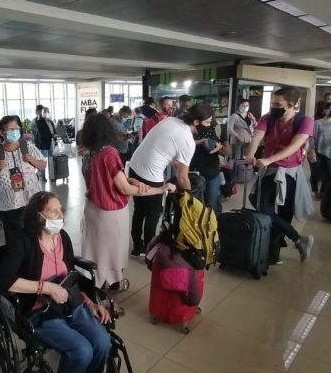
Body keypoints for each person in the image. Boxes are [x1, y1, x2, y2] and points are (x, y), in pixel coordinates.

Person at [0, 192, 111, 373]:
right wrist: (45, 287)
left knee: (102, 342)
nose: (60, 215)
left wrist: (89, 302)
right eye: (54, 211)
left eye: (61, 210)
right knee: (81, 350)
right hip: (40, 310)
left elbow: (70, 278)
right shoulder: (23, 241)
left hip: (70, 303)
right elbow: (5, 281)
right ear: (38, 216)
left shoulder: (63, 237)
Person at [80, 114, 174, 304]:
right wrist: (160, 189)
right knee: (112, 252)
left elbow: (105, 180)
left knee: (96, 250)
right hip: (110, 212)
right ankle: (108, 292)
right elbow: (122, 188)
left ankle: (95, 285)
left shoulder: (88, 154)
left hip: (92, 210)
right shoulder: (109, 153)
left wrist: (130, 180)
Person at [245, 86, 315, 265]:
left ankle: (272, 254)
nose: (273, 106)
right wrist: (251, 154)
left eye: (277, 104)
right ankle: (298, 239)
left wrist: (269, 159)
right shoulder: (268, 118)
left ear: (291, 105)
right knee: (261, 205)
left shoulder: (304, 121)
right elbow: (257, 137)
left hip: (289, 172)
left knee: (284, 214)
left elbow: (294, 146)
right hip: (269, 171)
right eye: (272, 102)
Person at [127, 103, 196, 256]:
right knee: (153, 213)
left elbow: (162, 151)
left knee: (139, 211)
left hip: (134, 167)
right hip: (151, 175)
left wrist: (176, 164)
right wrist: (191, 198)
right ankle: (149, 249)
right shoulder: (187, 139)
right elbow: (183, 178)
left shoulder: (169, 121)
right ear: (196, 122)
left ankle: (136, 247)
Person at [0, 115, 47, 244]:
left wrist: (32, 160)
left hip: (31, 202)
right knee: (14, 241)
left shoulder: (28, 146)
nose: (15, 132)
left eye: (17, 128)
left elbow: (43, 164)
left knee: (34, 238)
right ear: (1, 133)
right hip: (9, 206)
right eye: (11, 129)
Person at [189, 107, 226, 215]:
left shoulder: (210, 130)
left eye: (210, 122)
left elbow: (220, 145)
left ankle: (213, 228)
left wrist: (219, 147)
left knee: (212, 203)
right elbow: (181, 146)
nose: (209, 125)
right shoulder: (186, 132)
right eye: (207, 122)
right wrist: (198, 142)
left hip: (212, 171)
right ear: (196, 121)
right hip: (193, 172)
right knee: (195, 204)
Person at [34, 106, 56, 181]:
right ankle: (42, 175)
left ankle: (52, 176)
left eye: (47, 111)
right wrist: (51, 135)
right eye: (45, 111)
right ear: (42, 113)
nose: (46, 113)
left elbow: (54, 130)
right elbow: (42, 133)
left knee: (51, 159)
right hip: (44, 143)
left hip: (51, 143)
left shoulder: (51, 122)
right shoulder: (39, 122)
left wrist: (55, 137)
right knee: (43, 160)